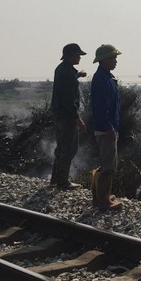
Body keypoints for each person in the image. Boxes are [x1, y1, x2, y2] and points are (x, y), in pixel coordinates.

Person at [49, 43, 87, 190]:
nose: (79, 58)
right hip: (67, 116)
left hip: (59, 115)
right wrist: (77, 119)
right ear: (71, 56)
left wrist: (78, 75)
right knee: (69, 149)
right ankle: (62, 182)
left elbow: (67, 83)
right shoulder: (67, 73)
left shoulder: (62, 70)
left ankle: (55, 180)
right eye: (78, 55)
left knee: (61, 147)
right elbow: (68, 99)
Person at [90, 44, 123, 210]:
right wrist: (110, 128)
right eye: (113, 58)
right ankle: (104, 202)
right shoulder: (102, 79)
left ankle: (100, 198)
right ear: (104, 60)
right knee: (109, 166)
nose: (116, 61)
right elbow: (102, 107)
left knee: (105, 164)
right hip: (105, 128)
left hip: (107, 127)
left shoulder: (106, 77)